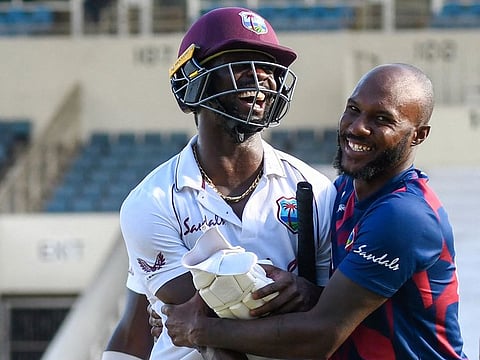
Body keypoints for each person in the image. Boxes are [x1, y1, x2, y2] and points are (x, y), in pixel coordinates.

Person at [161, 63, 469, 360]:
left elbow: (321, 334)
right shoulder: (344, 190)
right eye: (353, 109)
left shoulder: (403, 216)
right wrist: (307, 291)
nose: (357, 127)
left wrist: (199, 329)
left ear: (419, 134)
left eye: (382, 119)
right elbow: (347, 303)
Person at [102, 6, 336, 360]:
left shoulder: (316, 189)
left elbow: (335, 315)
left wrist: (312, 295)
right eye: (241, 62)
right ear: (194, 78)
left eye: (268, 67)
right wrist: (298, 300)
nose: (262, 80)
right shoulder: (151, 201)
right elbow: (214, 319)